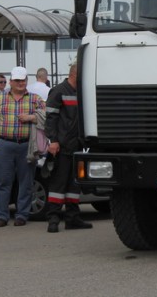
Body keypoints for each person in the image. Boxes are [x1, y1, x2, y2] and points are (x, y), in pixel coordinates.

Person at [0, 66, 45, 227]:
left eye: (23, 80)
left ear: (26, 81)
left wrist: (32, 117)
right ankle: (2, 216)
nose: (20, 83)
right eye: (17, 80)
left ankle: (22, 215)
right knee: (2, 182)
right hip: (4, 144)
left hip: (26, 145)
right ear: (11, 81)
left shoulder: (35, 99)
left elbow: (49, 115)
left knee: (26, 183)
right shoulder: (0, 99)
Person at [44, 64, 92, 233]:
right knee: (58, 184)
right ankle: (53, 219)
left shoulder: (81, 91)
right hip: (62, 146)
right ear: (74, 74)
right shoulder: (58, 91)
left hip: (77, 147)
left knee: (74, 185)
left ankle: (72, 218)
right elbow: (50, 118)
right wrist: (54, 140)